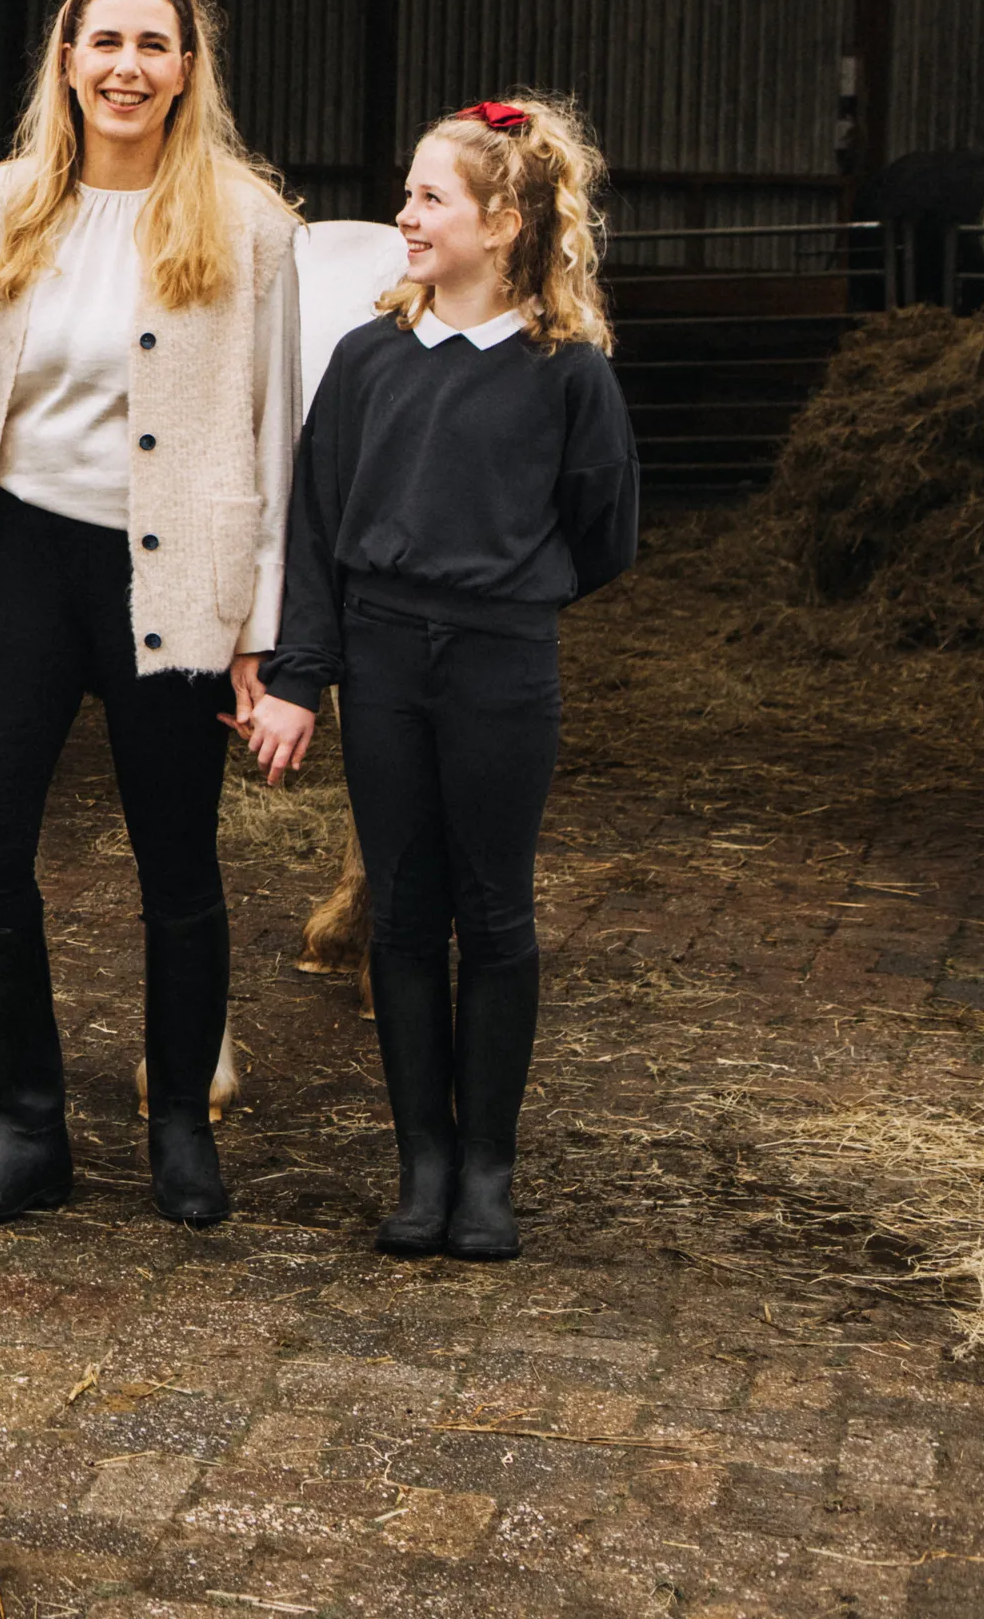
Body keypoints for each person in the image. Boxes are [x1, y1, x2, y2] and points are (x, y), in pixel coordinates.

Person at [0, 0, 300, 1231]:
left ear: (189, 68)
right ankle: (26, 1127)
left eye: (154, 43)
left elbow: (274, 432)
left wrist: (263, 629)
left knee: (176, 856)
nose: (127, 65)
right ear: (66, 59)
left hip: (173, 569)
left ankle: (179, 1122)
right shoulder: (5, 209)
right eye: (103, 41)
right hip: (18, 556)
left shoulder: (249, 224)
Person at [251, 96, 638, 1262]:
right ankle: (421, 1158)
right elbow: (315, 528)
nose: (404, 216)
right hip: (380, 661)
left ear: (505, 218)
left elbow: (607, 530)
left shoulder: (567, 372)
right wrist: (303, 677)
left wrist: (504, 595)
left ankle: (489, 1168)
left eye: (428, 197)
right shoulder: (369, 360)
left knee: (497, 910)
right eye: (409, 194)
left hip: (501, 666)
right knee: (404, 913)